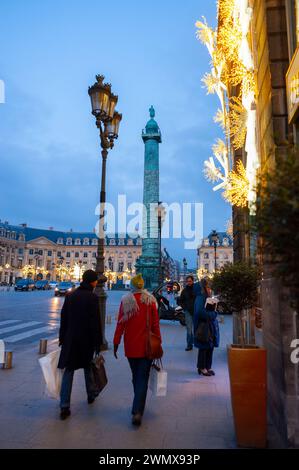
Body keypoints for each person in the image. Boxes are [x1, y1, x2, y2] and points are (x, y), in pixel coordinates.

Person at [113, 273, 161, 427]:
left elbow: (120, 323)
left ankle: (137, 408)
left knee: (136, 376)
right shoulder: (150, 301)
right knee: (142, 377)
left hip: (131, 346)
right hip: (147, 346)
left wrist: (116, 342)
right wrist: (158, 341)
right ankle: (138, 409)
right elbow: (155, 325)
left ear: (132, 286)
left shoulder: (126, 301)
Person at [58, 270, 102, 420]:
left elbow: (63, 318)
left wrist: (62, 338)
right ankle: (90, 394)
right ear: (92, 282)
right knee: (88, 367)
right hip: (86, 339)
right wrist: (98, 342)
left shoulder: (70, 296)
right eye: (95, 280)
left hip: (71, 339)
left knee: (68, 371)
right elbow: (96, 322)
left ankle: (64, 405)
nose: (97, 282)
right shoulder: (93, 298)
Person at [193, 277, 219, 376]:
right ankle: (202, 367)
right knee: (204, 347)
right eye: (208, 287)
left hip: (208, 325)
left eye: (210, 287)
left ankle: (207, 367)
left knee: (209, 346)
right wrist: (213, 314)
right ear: (204, 287)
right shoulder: (201, 297)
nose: (210, 289)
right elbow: (200, 312)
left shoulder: (205, 296)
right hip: (203, 326)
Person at [179, 275, 195, 351]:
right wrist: (185, 308)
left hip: (196, 312)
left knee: (196, 329)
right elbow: (180, 301)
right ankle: (189, 345)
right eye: (188, 281)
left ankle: (196, 342)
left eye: (190, 281)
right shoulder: (184, 291)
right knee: (189, 329)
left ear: (193, 281)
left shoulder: (196, 289)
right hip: (188, 312)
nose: (189, 282)